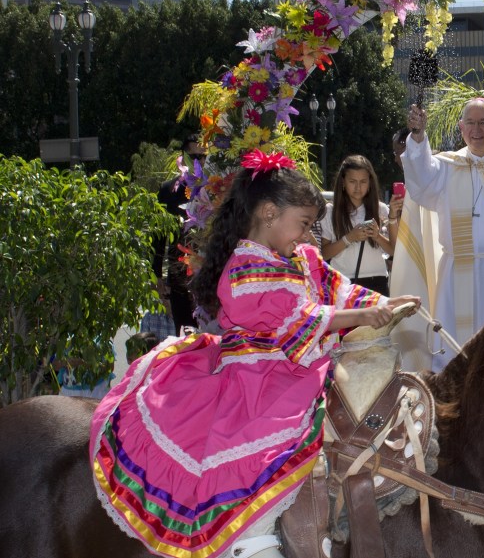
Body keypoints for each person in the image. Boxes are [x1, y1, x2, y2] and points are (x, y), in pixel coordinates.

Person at [90, 151, 419, 558]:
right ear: (267, 213)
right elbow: (294, 319)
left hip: (299, 369)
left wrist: (384, 301)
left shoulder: (303, 258)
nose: (305, 235)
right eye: (301, 224)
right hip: (256, 380)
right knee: (253, 456)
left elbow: (338, 289)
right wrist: (362, 314)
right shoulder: (244, 268)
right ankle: (252, 540)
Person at [391, 97, 484, 372]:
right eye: (471, 123)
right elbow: (420, 176)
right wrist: (418, 135)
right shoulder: (447, 166)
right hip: (454, 273)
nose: (477, 129)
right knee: (451, 352)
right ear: (461, 128)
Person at [152, 134, 207, 335]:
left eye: (204, 156)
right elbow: (159, 235)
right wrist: (156, 276)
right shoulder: (168, 189)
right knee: (185, 335)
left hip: (210, 271)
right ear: (183, 157)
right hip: (179, 274)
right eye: (194, 156)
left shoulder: (216, 187)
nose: (200, 161)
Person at [320, 155, 395, 295]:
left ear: (370, 183)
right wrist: (349, 238)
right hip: (343, 282)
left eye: (363, 182)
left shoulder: (381, 209)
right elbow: (324, 254)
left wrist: (377, 236)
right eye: (352, 181)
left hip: (377, 281)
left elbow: (393, 251)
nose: (358, 187)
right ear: (343, 182)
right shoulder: (330, 211)